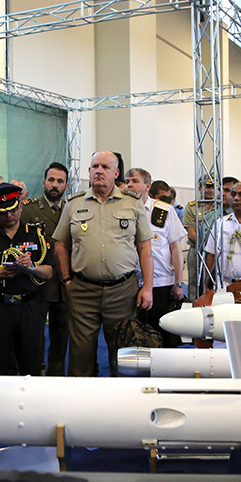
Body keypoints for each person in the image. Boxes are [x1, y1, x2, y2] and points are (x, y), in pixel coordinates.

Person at [53, 150, 153, 377]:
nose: (99, 171)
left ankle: (120, 405)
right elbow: (60, 244)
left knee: (122, 355)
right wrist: (67, 280)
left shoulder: (132, 204)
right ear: (88, 171)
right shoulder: (74, 204)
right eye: (95, 166)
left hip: (123, 291)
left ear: (116, 173)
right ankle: (83, 405)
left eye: (105, 167)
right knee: (81, 357)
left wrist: (147, 287)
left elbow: (145, 248)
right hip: (82, 290)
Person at [0, 183, 54, 375]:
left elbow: (49, 273)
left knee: (31, 363)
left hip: (29, 306)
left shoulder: (36, 234)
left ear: (20, 206)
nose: (8, 216)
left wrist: (31, 267)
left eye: (12, 210)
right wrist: (0, 274)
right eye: (2, 213)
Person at [20, 161, 70, 376]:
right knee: (34, 334)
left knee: (62, 335)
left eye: (60, 181)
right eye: (51, 180)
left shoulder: (73, 209)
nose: (55, 185)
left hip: (66, 283)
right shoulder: (29, 210)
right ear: (43, 182)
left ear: (66, 185)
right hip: (38, 284)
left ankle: (56, 375)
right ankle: (35, 373)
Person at [137, 178, 186, 347]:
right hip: (132, 283)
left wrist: (179, 282)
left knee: (166, 336)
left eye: (134, 181)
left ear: (146, 186)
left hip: (162, 283)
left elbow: (176, 249)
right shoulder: (124, 210)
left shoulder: (164, 210)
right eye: (127, 181)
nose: (129, 185)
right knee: (137, 336)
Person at [182, 177, 219, 296]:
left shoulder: (221, 207)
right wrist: (207, 247)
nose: (211, 190)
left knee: (215, 281)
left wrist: (213, 249)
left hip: (217, 251)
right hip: (197, 250)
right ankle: (195, 306)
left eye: (214, 187)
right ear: (199, 188)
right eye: (207, 186)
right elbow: (191, 233)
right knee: (195, 282)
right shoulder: (192, 207)